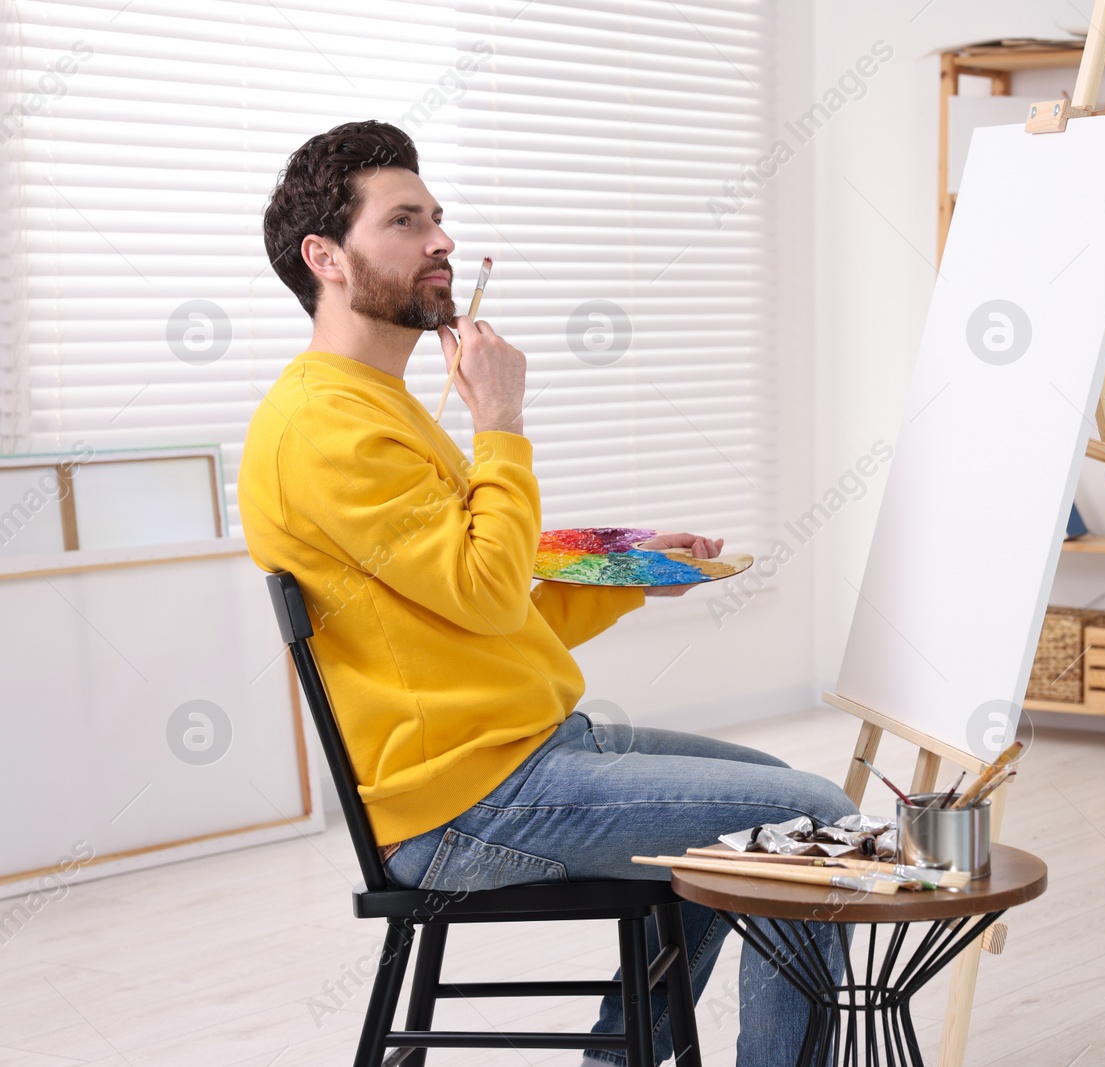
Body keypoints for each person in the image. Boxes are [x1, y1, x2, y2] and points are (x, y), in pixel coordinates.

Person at [239, 120, 856, 1067]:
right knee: (815, 822)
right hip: (467, 803)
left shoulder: (377, 405)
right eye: (406, 221)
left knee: (783, 799)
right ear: (326, 256)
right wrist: (502, 419)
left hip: (530, 750)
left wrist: (640, 572)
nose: (441, 240)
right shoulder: (326, 429)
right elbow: (489, 592)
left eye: (438, 217)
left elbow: (486, 610)